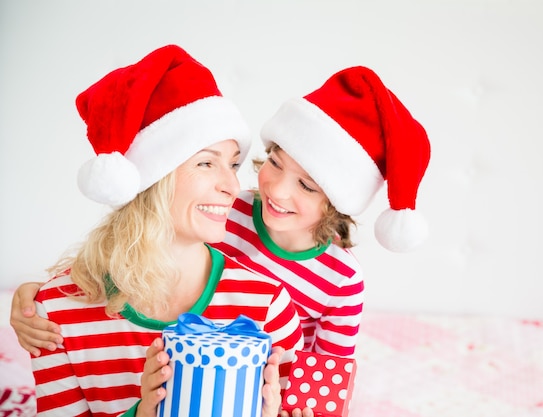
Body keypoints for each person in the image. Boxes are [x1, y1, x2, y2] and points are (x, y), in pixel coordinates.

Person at [12, 66, 431, 361]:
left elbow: (326, 371)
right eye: (275, 162)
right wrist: (36, 297)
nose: (277, 191)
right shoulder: (222, 211)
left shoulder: (341, 281)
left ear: (337, 202)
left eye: (306, 185)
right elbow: (135, 254)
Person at [21, 44, 304, 417]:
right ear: (152, 179)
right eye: (206, 163)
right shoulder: (56, 311)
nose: (232, 188)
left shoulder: (267, 305)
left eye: (233, 165)